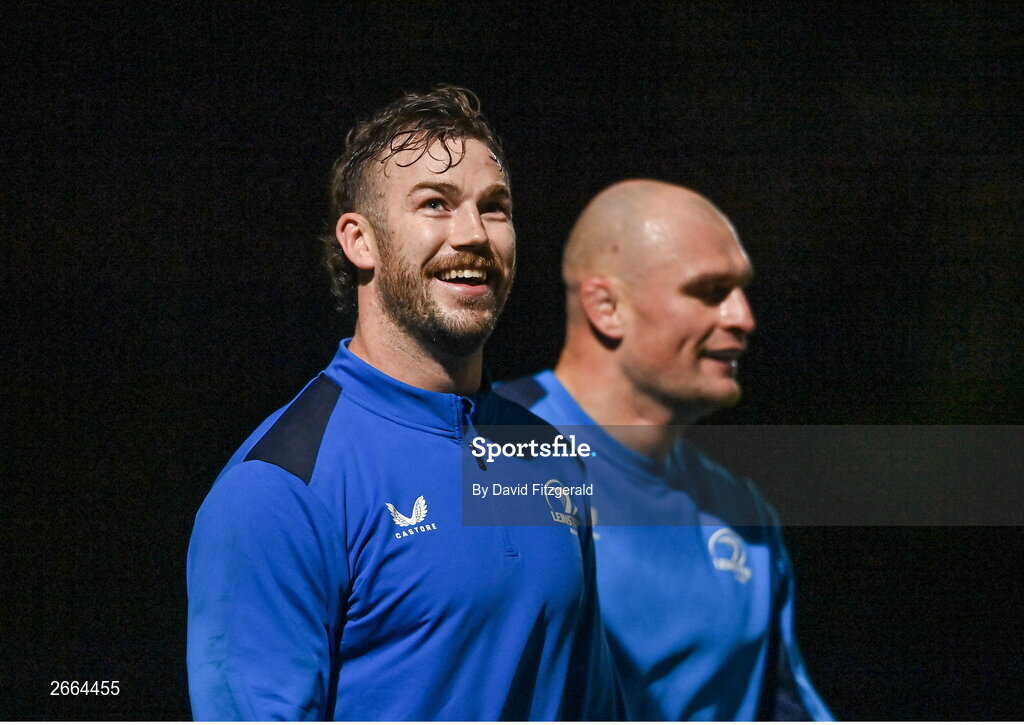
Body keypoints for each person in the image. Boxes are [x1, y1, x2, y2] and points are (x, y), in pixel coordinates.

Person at [186, 86, 618, 721]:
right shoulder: (279, 487)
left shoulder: (550, 458)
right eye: (435, 204)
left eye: (495, 208)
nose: (474, 234)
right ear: (360, 241)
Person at [499, 179, 833, 720]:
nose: (742, 318)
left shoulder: (743, 513)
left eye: (742, 290)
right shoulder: (495, 453)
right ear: (606, 307)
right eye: (709, 291)